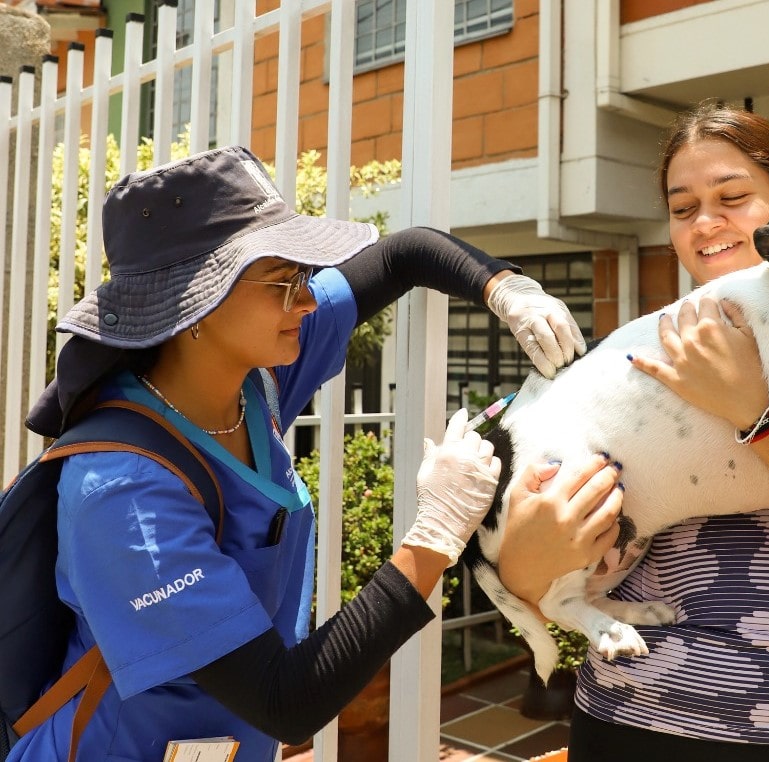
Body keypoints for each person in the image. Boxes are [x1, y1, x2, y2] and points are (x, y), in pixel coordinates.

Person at [11, 145, 623, 761]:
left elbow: (401, 254)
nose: (305, 302)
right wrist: (437, 534)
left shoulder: (252, 380)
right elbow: (287, 700)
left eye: (304, 279)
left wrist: (504, 286)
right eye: (284, 282)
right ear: (196, 304)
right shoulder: (125, 490)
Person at [497, 103, 769, 761]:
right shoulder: (635, 359)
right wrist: (531, 544)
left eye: (733, 198)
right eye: (683, 209)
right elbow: (526, 568)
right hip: (633, 718)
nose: (707, 222)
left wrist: (754, 416)